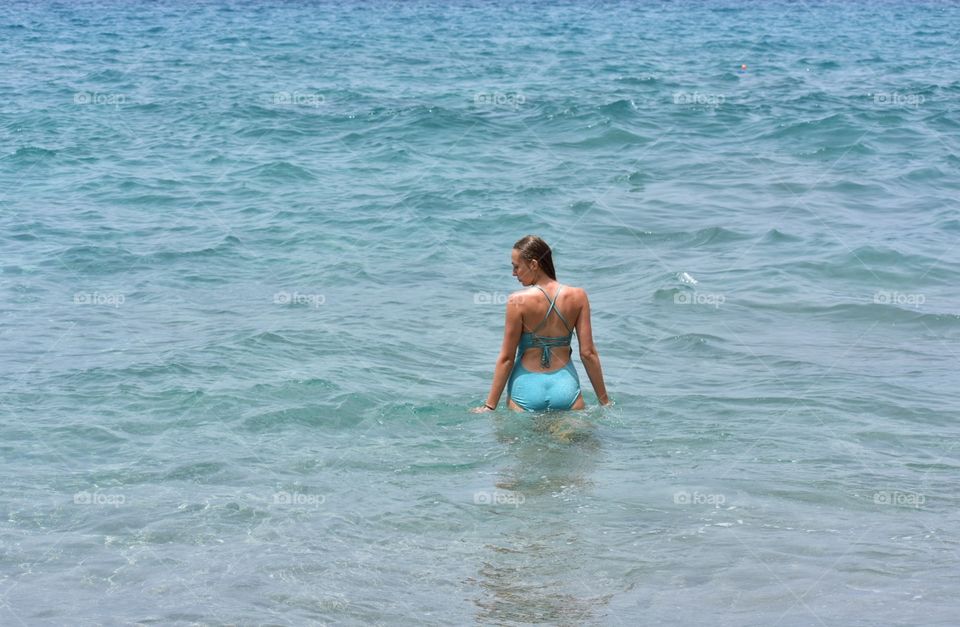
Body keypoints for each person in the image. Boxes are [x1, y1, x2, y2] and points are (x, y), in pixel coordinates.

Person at [472, 235, 609, 413]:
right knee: (575, 440)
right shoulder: (578, 296)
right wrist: (605, 402)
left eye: (516, 267)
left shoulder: (517, 301)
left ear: (534, 265)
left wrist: (489, 406)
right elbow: (588, 354)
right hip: (565, 387)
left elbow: (506, 358)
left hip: (526, 388)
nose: (514, 273)